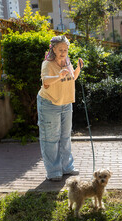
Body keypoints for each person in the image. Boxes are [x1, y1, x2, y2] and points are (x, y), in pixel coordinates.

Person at [37, 35, 84, 181]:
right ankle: (53, 171)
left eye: (65, 49)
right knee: (50, 139)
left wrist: (78, 68)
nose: (63, 52)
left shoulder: (67, 62)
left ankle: (67, 167)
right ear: (54, 49)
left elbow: (71, 78)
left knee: (65, 137)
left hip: (66, 103)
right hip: (49, 104)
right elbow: (45, 81)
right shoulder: (47, 64)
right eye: (60, 49)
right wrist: (58, 75)